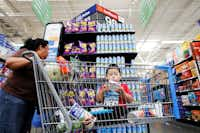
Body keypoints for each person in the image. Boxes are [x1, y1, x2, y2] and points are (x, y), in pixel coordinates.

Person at [0, 38, 49, 133]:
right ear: (40, 47)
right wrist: (33, 58)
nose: (48, 52)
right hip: (13, 98)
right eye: (47, 49)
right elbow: (9, 63)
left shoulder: (41, 62)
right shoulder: (26, 53)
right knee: (9, 128)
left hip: (28, 102)